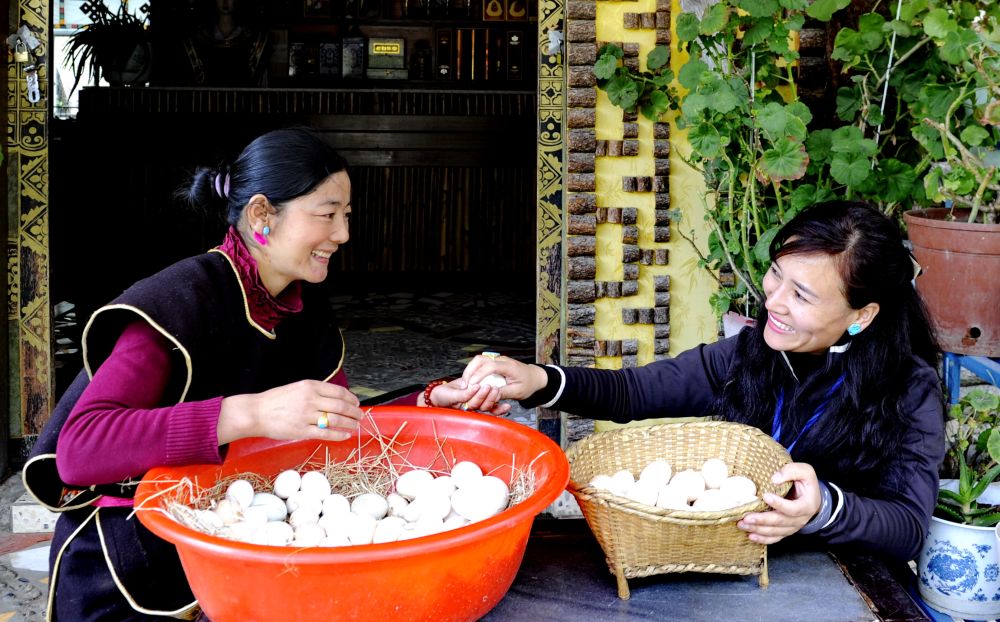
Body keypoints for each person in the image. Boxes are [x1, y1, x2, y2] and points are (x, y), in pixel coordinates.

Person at [427, 200, 945, 561]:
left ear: (862, 314)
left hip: (834, 583)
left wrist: (826, 508)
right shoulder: (752, 353)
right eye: (775, 275)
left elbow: (907, 528)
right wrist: (538, 378)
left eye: (802, 295)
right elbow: (633, 392)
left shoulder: (907, 390)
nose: (773, 302)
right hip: (728, 566)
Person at [24, 127, 365, 620]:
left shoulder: (301, 309)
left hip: (228, 544)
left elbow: (335, 420)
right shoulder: (181, 299)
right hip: (126, 566)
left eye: (346, 216)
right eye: (327, 215)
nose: (342, 235)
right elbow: (80, 451)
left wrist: (432, 403)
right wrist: (249, 413)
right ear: (262, 215)